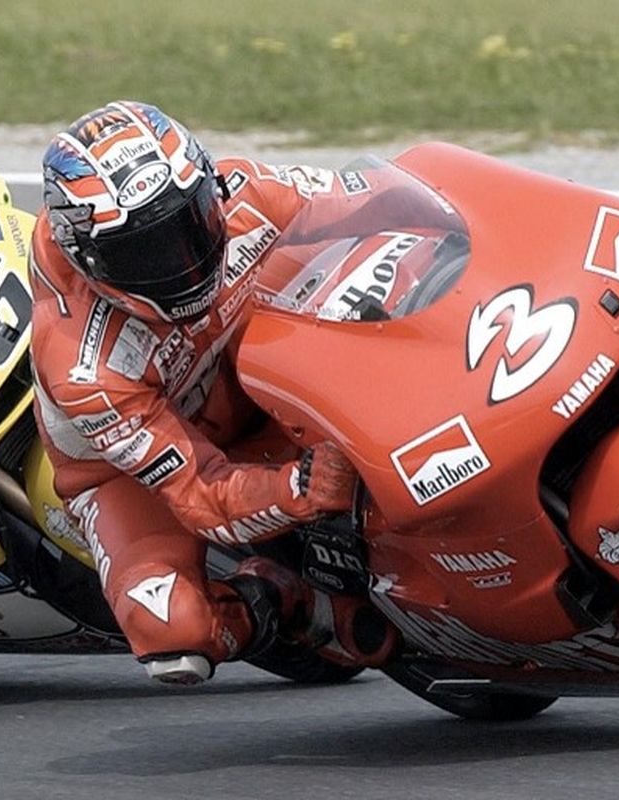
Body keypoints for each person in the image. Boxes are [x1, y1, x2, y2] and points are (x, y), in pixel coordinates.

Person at [30, 100, 398, 684]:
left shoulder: (244, 192)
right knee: (172, 633)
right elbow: (201, 494)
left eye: (193, 220)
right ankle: (287, 603)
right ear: (90, 260)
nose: (187, 261)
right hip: (134, 474)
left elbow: (374, 195)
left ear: (207, 185)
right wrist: (299, 488)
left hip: (252, 382)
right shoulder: (87, 367)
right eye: (148, 254)